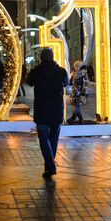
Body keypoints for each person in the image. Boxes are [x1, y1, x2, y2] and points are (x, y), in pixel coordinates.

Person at [27, 48, 68, 177]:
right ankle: (50, 166)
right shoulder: (61, 71)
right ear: (52, 57)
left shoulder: (36, 71)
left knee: (44, 140)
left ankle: (50, 166)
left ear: (41, 58)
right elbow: (66, 83)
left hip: (42, 111)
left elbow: (29, 82)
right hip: (56, 111)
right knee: (54, 139)